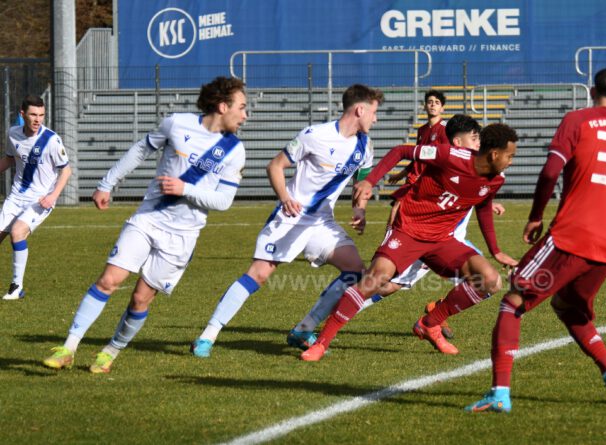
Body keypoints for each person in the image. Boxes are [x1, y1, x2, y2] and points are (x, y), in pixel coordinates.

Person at [466, 68, 606, 412]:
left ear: (593, 90)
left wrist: (536, 214)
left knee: (513, 301)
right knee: (569, 308)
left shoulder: (578, 120)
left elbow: (551, 170)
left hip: (571, 236)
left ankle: (499, 394)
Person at [42, 76, 248, 373]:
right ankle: (69, 347)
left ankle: (111, 352)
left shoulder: (234, 150)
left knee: (140, 299)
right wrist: (107, 183)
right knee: (108, 280)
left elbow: (224, 201)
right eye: (241, 107)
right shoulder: (177, 123)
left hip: (182, 236)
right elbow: (141, 149)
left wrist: (184, 189)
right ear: (222, 105)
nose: (245, 115)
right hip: (148, 218)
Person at [189, 84, 384, 357]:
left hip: (321, 222)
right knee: (258, 275)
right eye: (374, 112)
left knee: (356, 273)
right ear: (360, 109)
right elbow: (275, 165)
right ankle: (207, 336)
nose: (376, 119)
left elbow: (362, 182)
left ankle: (304, 329)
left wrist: (360, 209)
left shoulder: (365, 145)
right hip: (291, 217)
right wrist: (285, 198)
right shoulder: (314, 135)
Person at [300, 122, 519, 362]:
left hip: (442, 240)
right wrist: (370, 181)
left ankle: (430, 323)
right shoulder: (449, 155)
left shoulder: (496, 179)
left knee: (490, 281)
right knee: (375, 280)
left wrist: (496, 251)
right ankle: (321, 343)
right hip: (409, 231)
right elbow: (402, 152)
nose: (511, 161)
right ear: (494, 154)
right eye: (510, 156)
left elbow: (484, 206)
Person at [0, 95, 72, 300]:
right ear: (22, 114)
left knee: (17, 232)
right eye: (33, 114)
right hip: (16, 197)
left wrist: (53, 196)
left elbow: (66, 171)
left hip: (40, 200)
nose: (37, 119)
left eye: (41, 115)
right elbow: (9, 159)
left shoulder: (51, 140)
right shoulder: (13, 134)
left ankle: (16, 286)